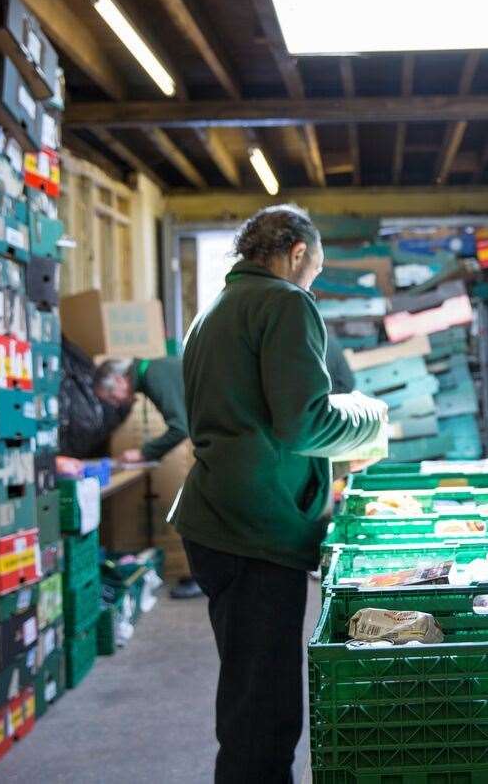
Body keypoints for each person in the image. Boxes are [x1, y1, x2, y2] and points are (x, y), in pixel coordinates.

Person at [171, 204, 387, 784]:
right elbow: (304, 423)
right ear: (296, 254)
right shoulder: (285, 302)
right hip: (254, 532)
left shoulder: (214, 309)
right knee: (263, 718)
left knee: (248, 699)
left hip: (217, 520)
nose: (311, 282)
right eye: (313, 271)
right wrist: (370, 415)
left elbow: (257, 418)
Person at [94, 355, 202, 600]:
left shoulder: (154, 376)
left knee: (199, 510)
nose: (117, 404)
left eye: (113, 397)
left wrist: (144, 452)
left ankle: (204, 578)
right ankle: (205, 576)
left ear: (121, 380)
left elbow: (179, 428)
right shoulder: (154, 371)